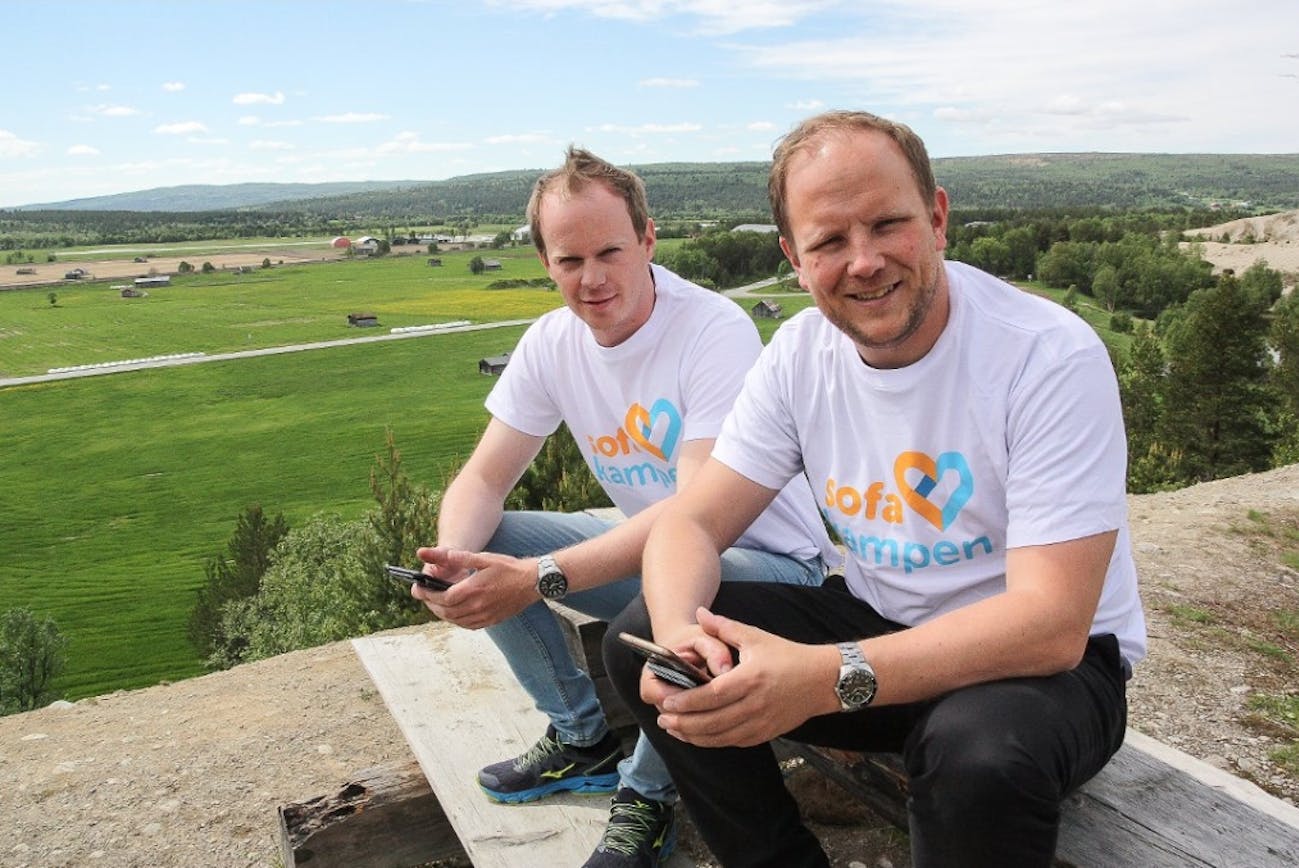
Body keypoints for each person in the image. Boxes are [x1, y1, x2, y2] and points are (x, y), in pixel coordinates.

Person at [604, 110, 1147, 868]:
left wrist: (826, 677)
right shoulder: (799, 353)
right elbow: (689, 525)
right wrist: (681, 639)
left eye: (887, 224)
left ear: (936, 218)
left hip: (1042, 673)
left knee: (976, 760)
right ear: (794, 257)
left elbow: (1050, 624)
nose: (862, 261)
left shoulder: (1044, 356)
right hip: (879, 624)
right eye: (828, 240)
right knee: (641, 640)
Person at [410, 146, 837, 868]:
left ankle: (647, 795)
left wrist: (540, 576)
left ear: (647, 238)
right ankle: (579, 738)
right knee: (493, 541)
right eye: (569, 260)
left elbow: (694, 512)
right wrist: (456, 564)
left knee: (679, 602)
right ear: (545, 261)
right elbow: (482, 481)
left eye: (609, 251)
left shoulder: (711, 329)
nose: (592, 278)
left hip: (772, 569)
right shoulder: (550, 343)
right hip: (651, 560)